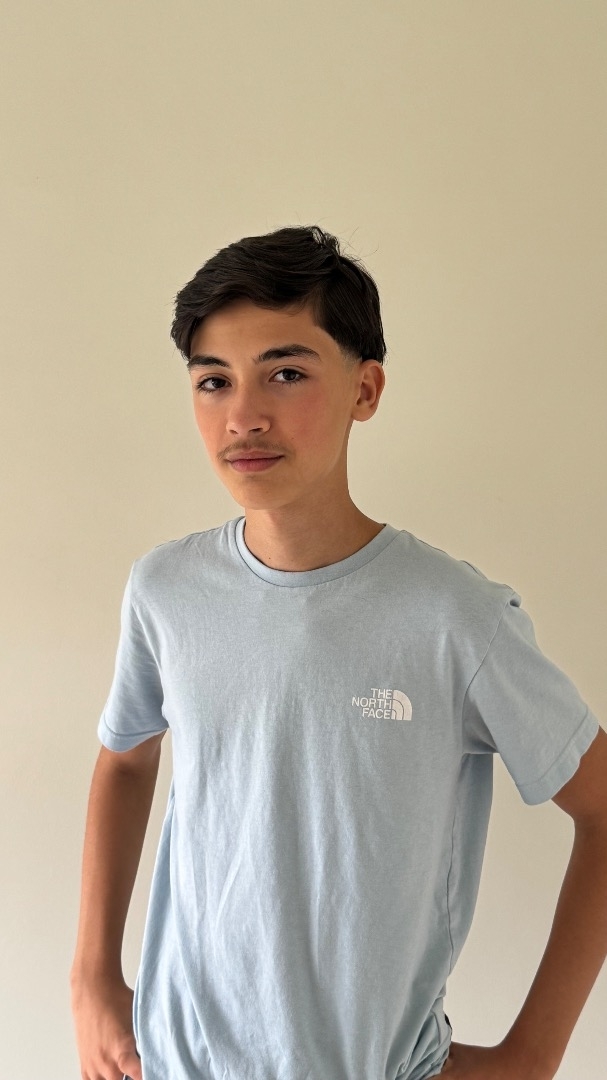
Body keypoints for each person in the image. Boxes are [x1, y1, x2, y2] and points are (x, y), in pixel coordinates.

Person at [70, 225, 607, 1080]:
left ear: (365, 388)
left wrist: (531, 1056)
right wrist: (92, 977)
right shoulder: (164, 590)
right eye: (213, 381)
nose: (243, 415)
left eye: (285, 373)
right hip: (174, 1061)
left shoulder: (454, 618)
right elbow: (126, 760)